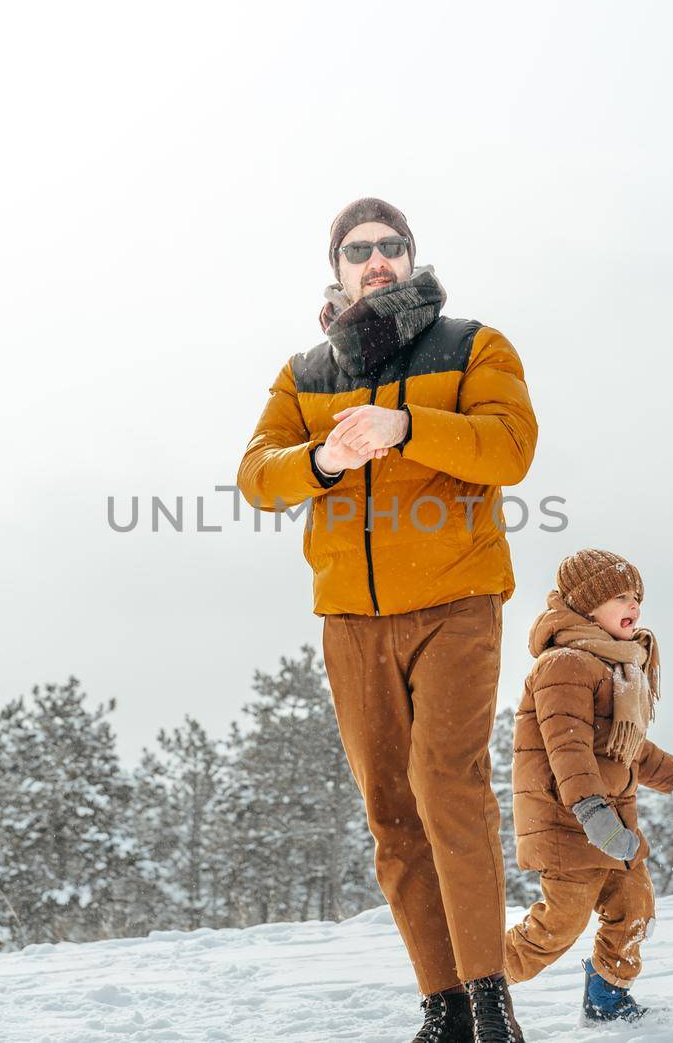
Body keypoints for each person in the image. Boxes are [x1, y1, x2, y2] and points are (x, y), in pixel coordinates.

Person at [237, 197, 539, 1043]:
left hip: (455, 602)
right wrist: (324, 458)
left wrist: (407, 426)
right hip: (352, 620)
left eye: (392, 247)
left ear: (412, 258)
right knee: (390, 811)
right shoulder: (305, 374)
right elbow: (258, 474)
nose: (377, 260)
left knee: (448, 785)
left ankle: (491, 1002)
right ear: (335, 267)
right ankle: (442, 1006)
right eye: (359, 249)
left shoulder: (472, 345)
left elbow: (510, 447)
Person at [503, 549, 673, 1023]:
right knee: (558, 926)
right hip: (569, 823)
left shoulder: (617, 667)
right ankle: (476, 980)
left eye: (637, 597)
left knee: (635, 910)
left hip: (616, 828)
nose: (633, 606)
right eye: (619, 596)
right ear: (587, 605)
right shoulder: (564, 665)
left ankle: (607, 999)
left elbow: (628, 750)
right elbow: (567, 749)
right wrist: (592, 812)